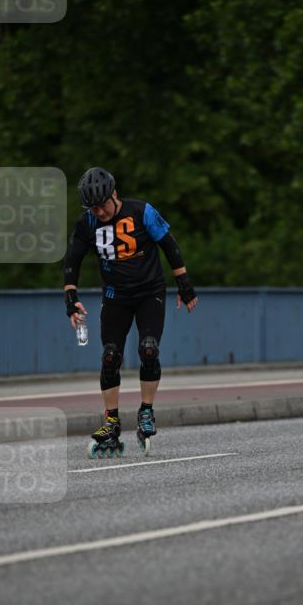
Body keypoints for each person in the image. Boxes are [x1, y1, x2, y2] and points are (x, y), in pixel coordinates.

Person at [63, 166, 198, 454]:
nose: (98, 211)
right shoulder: (86, 223)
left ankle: (146, 411)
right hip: (115, 296)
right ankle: (111, 423)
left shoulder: (142, 212)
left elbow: (169, 245)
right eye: (92, 207)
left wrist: (184, 284)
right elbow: (73, 259)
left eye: (102, 205)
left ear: (115, 194)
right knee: (110, 355)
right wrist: (70, 297)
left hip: (150, 293)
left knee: (149, 348)